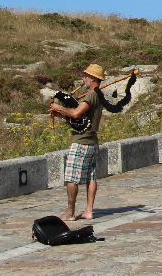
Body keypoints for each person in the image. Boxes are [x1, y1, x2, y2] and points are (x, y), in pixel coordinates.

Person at [50, 63, 105, 221]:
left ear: (93, 79)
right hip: (92, 141)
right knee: (91, 177)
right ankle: (88, 210)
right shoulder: (99, 95)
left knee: (71, 177)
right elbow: (81, 120)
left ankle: (70, 212)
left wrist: (59, 108)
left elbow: (75, 114)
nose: (83, 79)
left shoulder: (91, 95)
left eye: (86, 76)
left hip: (81, 142)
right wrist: (61, 115)